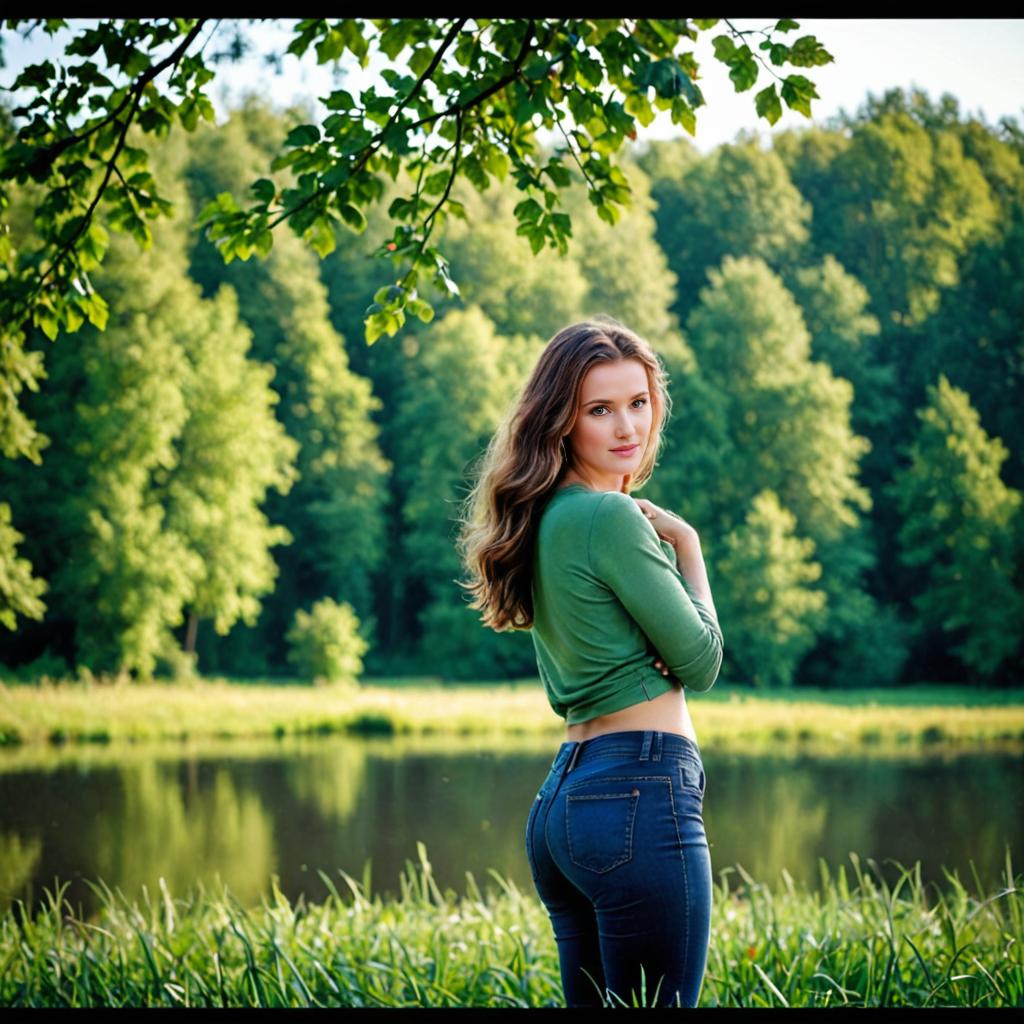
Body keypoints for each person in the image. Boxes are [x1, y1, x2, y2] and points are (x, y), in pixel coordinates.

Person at [456, 316, 724, 1008]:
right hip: (638, 792)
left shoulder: (547, 517)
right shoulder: (611, 519)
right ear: (562, 421)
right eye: (599, 410)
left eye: (638, 403)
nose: (627, 427)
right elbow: (700, 661)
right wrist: (689, 550)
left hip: (565, 806)